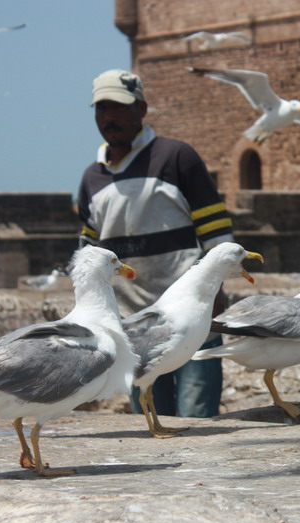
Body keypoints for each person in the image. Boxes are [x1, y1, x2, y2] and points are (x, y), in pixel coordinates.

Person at [77, 69, 234, 417]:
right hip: (134, 327)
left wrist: (217, 291)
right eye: (101, 108)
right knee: (149, 420)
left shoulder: (176, 157)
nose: (109, 117)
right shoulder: (92, 178)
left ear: (141, 109)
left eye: (118, 107)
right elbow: (86, 257)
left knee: (196, 419)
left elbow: (216, 231)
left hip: (190, 320)